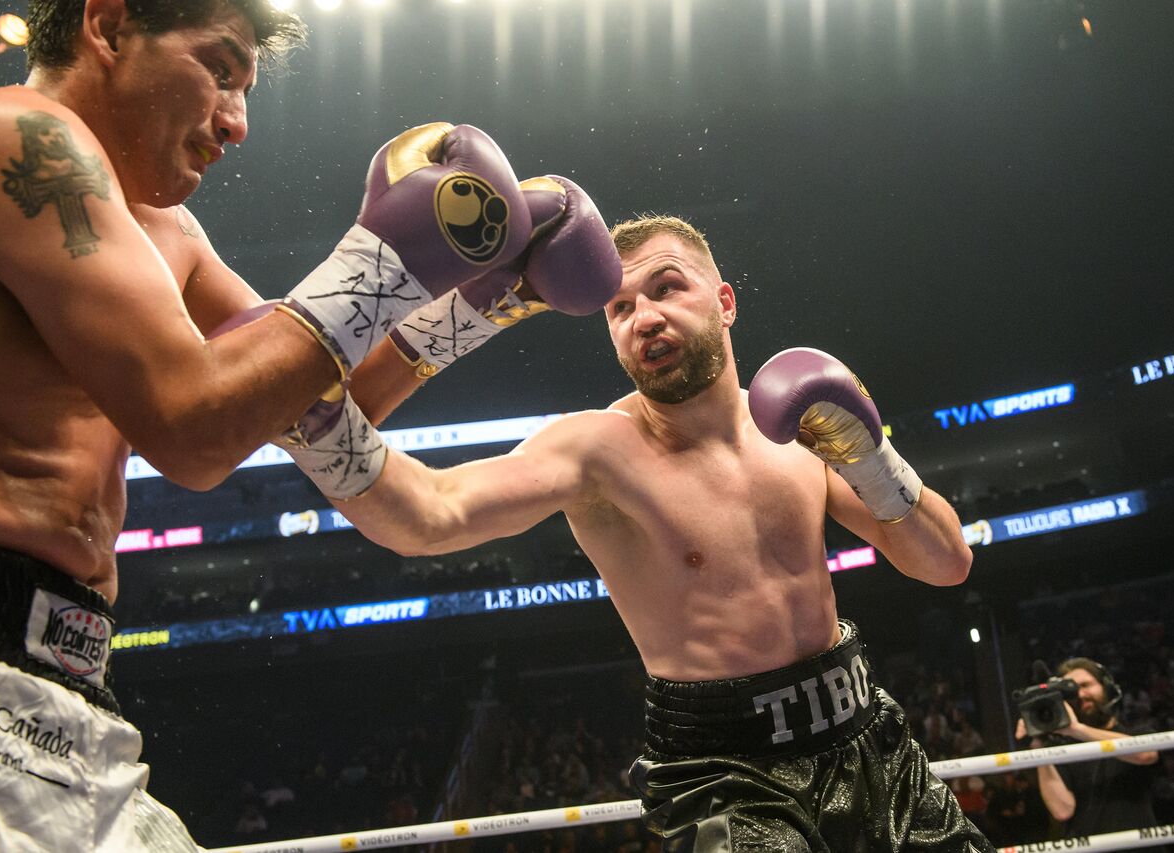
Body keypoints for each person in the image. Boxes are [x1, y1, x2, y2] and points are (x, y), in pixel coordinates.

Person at [0, 1, 617, 847]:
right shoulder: (12, 137)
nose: (237, 122)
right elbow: (191, 430)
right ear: (110, 24)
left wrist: (484, 303)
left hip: (68, 692)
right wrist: (386, 257)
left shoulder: (172, 236)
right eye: (221, 70)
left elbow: (304, 411)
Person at [329, 214, 994, 851]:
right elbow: (426, 515)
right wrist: (323, 424)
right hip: (730, 774)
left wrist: (873, 457)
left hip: (867, 730)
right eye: (618, 309)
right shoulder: (597, 453)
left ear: (724, 301)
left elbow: (947, 563)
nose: (643, 316)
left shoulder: (803, 426)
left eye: (666, 286)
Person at [1015, 658, 1164, 850]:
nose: (1081, 694)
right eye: (1072, 691)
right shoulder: (1060, 749)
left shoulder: (1138, 732)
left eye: (1086, 685)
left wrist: (1076, 729)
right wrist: (1037, 743)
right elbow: (1062, 810)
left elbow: (1146, 754)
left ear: (1107, 687)